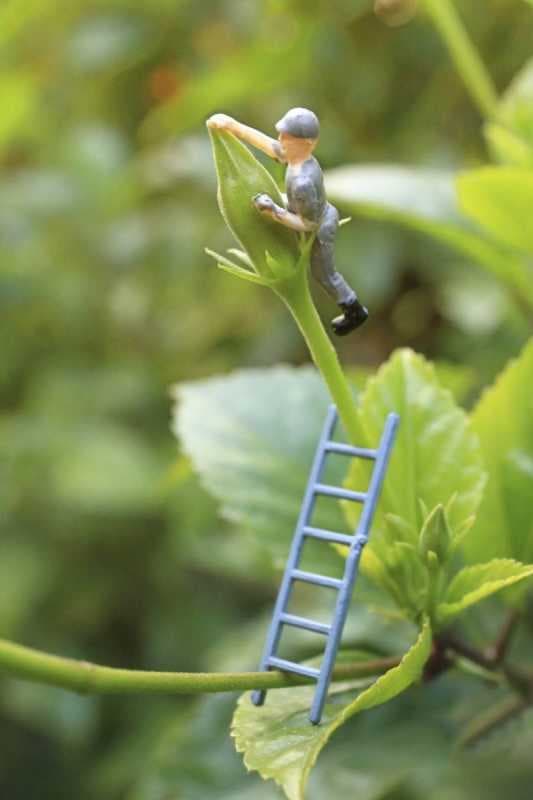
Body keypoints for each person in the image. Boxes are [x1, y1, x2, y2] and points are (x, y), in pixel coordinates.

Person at [207, 108, 368, 335]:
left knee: (325, 275)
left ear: (307, 143)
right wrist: (232, 126)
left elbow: (308, 224)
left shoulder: (303, 181)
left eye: (287, 137)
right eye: (282, 135)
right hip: (302, 210)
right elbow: (266, 144)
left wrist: (274, 212)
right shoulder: (294, 159)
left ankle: (354, 310)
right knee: (323, 274)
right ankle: (353, 308)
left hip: (320, 226)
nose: (281, 140)